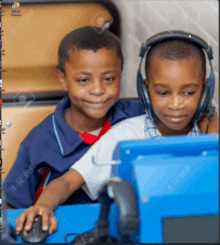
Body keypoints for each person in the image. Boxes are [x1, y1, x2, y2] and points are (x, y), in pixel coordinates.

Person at [16, 31, 219, 235]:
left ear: (205, 91)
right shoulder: (125, 135)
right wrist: (44, 205)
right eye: (163, 93)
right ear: (146, 91)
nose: (176, 105)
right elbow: (68, 181)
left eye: (189, 93)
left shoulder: (208, 129)